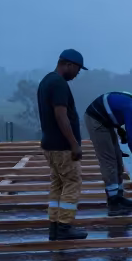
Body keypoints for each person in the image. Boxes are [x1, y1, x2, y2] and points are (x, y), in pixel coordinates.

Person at [37, 49, 89, 240]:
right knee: (72, 182)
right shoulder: (58, 84)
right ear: (69, 65)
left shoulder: (47, 81)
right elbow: (61, 115)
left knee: (58, 183)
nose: (77, 74)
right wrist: (74, 144)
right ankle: (65, 227)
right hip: (62, 146)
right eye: (77, 69)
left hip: (49, 145)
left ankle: (54, 226)